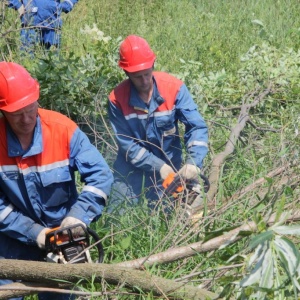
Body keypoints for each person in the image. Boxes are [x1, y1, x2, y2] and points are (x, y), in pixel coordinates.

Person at [0, 61, 113, 300]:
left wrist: (78, 217)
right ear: (3, 112)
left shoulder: (63, 130)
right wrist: (35, 233)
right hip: (11, 243)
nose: (26, 118)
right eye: (16, 113)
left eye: (30, 108)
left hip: (62, 238)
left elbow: (101, 176)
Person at [107, 34, 209, 212]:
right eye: (138, 77)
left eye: (147, 74)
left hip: (172, 166)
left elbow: (197, 127)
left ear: (153, 65)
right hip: (131, 170)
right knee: (118, 215)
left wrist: (193, 163)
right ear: (126, 73)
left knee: (173, 214)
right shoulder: (117, 99)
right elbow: (127, 145)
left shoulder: (174, 88)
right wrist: (158, 166)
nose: (145, 81)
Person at [6, 0, 79, 52]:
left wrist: (67, 4)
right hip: (30, 23)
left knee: (52, 62)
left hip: (52, 23)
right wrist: (17, 5)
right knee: (27, 60)